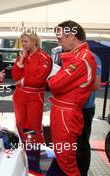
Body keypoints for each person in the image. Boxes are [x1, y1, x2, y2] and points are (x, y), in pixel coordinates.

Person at [47, 20, 97, 176]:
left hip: (67, 115)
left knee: (66, 161)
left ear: (72, 35)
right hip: (64, 112)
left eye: (60, 39)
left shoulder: (82, 58)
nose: (59, 42)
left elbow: (54, 85)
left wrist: (52, 79)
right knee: (61, 156)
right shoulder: (78, 56)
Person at [11, 31, 52, 143]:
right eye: (22, 41)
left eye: (25, 41)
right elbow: (15, 76)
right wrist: (21, 59)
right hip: (19, 95)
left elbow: (39, 80)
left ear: (34, 42)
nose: (23, 44)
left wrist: (23, 80)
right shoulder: (22, 55)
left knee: (34, 128)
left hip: (35, 97)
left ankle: (36, 155)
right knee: (20, 125)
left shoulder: (44, 57)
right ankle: (22, 152)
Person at [76, 53, 102, 176]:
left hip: (85, 107)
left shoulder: (93, 58)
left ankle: (82, 173)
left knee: (82, 143)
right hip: (73, 107)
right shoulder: (69, 55)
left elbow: (96, 85)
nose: (60, 42)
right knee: (73, 143)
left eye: (62, 39)